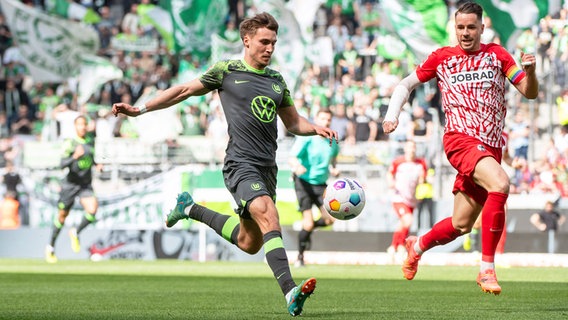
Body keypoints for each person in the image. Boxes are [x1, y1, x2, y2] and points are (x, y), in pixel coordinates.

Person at [111, 12, 338, 317]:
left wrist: (316, 128)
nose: (270, 48)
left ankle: (190, 208)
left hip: (267, 168)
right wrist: (140, 109)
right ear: (247, 40)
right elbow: (182, 91)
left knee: (250, 242)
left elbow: (294, 122)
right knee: (269, 215)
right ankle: (290, 291)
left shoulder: (276, 80)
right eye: (264, 41)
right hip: (240, 163)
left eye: (273, 42)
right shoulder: (226, 70)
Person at [382, 1, 539, 295]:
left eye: (471, 27)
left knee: (461, 225)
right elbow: (405, 84)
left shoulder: (498, 55)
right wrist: (392, 115)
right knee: (501, 183)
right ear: (454, 28)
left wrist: (531, 71)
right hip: (460, 141)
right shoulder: (443, 57)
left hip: (490, 148)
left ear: (482, 27)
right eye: (460, 27)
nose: (465, 33)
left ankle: (416, 246)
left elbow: (529, 93)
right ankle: (486, 269)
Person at [288, 109, 340, 267]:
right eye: (323, 118)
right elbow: (292, 157)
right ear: (316, 119)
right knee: (308, 222)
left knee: (330, 219)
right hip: (303, 182)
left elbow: (333, 161)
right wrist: (297, 166)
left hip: (320, 185)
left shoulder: (333, 141)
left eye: (328, 119)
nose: (326, 122)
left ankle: (307, 230)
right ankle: (300, 257)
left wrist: (334, 169)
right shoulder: (307, 138)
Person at [45, 115, 100, 263]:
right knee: (62, 217)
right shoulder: (70, 143)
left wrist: (97, 164)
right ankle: (50, 248)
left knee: (92, 209)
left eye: (84, 124)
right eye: (80, 124)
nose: (82, 127)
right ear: (75, 126)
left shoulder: (90, 140)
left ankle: (75, 232)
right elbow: (62, 164)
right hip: (70, 184)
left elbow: (92, 158)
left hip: (85, 185)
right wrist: (75, 156)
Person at [386, 140, 427, 262]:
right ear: (405, 149)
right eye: (409, 147)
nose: (411, 150)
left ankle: (393, 247)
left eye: (413, 147)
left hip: (411, 199)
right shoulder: (398, 162)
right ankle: (400, 247)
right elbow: (389, 174)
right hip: (399, 198)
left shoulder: (421, 163)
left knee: (403, 224)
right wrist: (391, 182)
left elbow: (422, 179)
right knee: (408, 220)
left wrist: (422, 183)